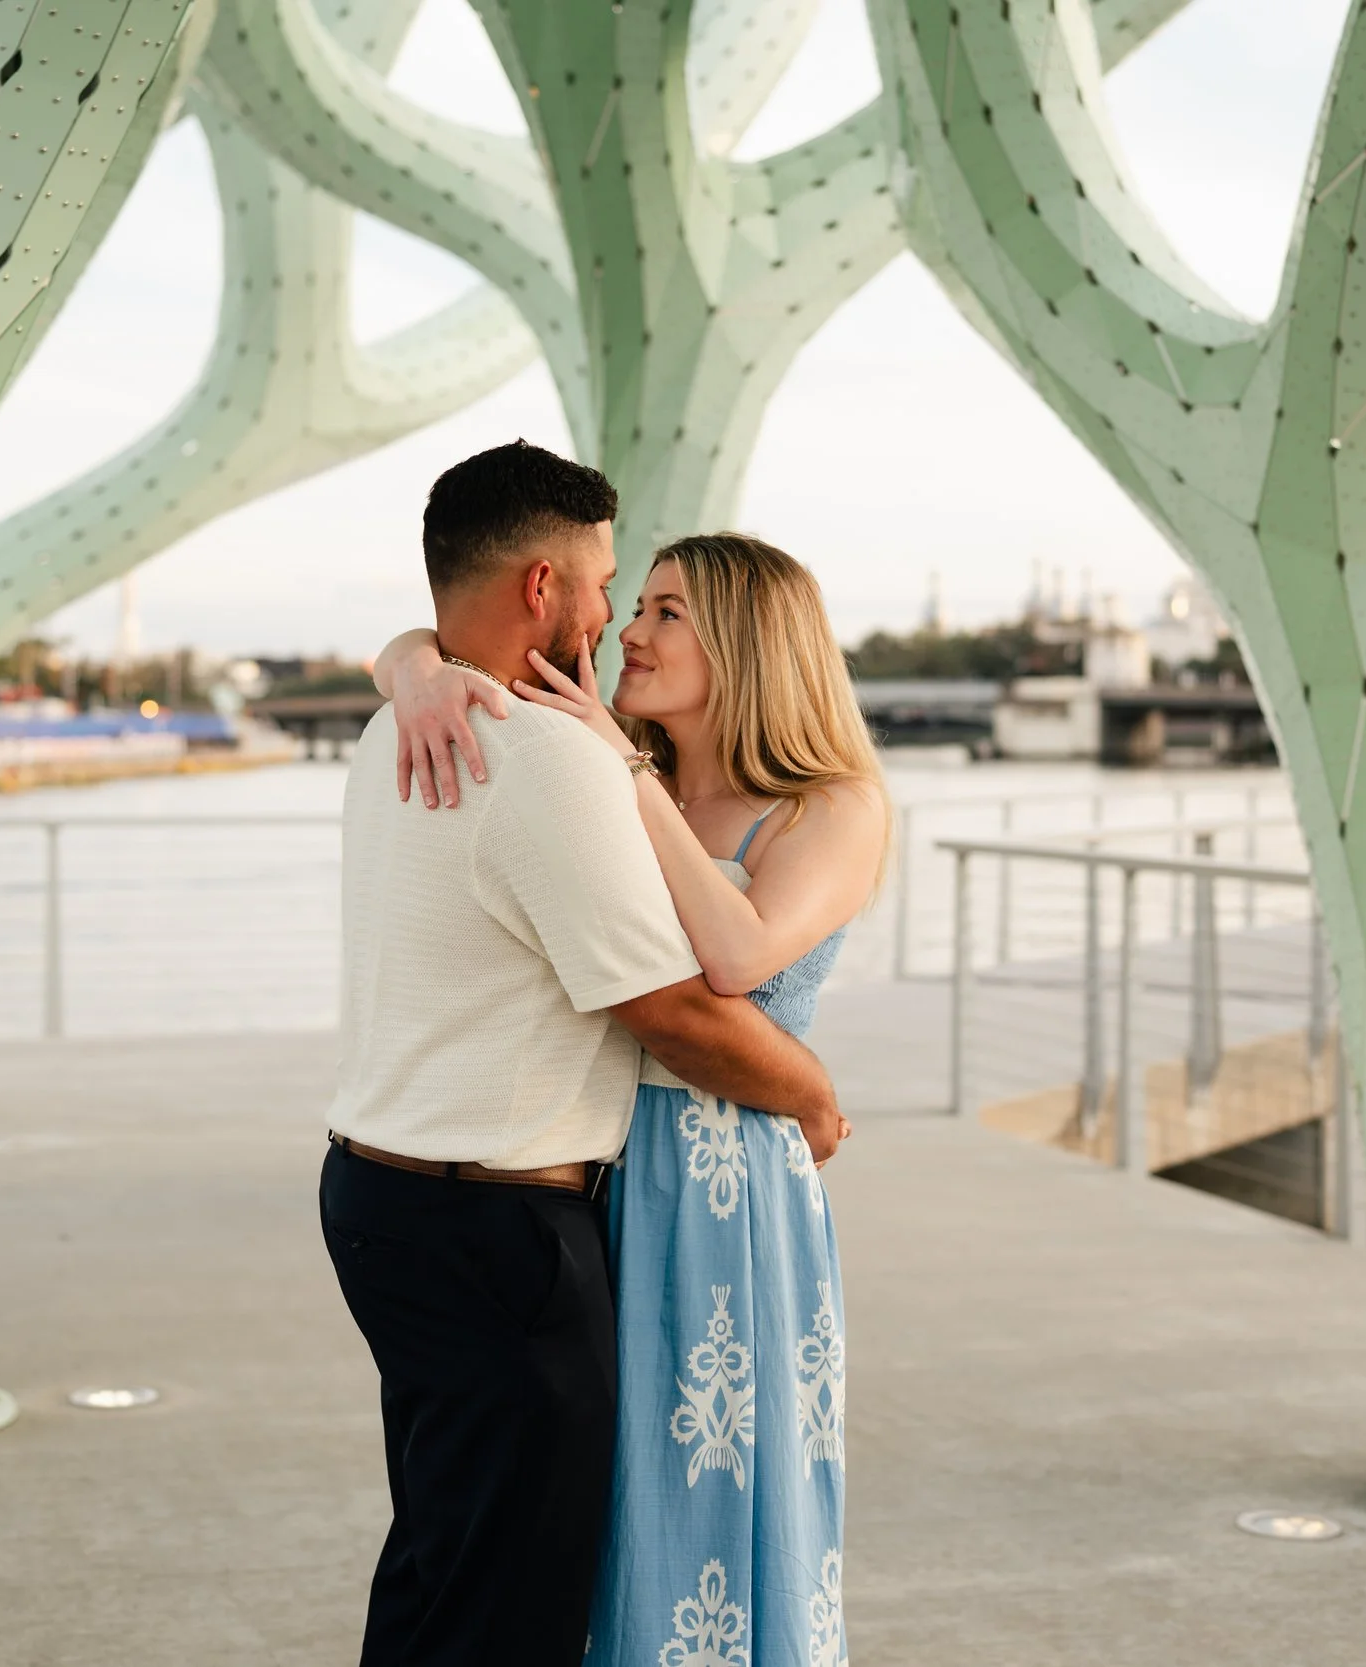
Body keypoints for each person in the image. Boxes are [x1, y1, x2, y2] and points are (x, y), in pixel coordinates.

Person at [324, 442, 847, 1667]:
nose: (615, 618)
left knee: (441, 1554)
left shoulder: (394, 727)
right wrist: (816, 1097)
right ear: (546, 586)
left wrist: (410, 658)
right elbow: (668, 1007)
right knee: (509, 1601)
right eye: (614, 586)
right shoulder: (553, 754)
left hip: (381, 1192)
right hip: (497, 1227)